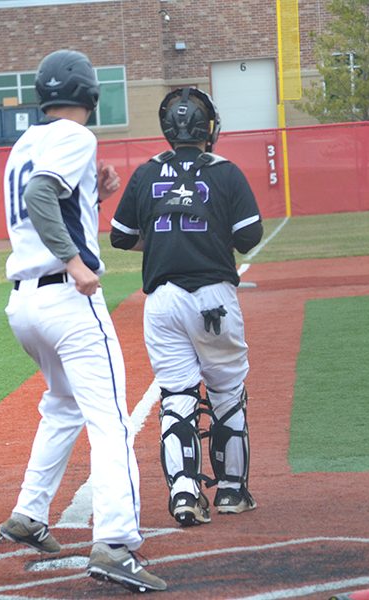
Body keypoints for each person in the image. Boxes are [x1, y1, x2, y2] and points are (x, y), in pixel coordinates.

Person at [0, 49, 167, 594]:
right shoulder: (75, 136)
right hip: (66, 297)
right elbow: (41, 195)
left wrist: (95, 188)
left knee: (63, 406)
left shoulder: (26, 142)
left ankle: (29, 511)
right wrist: (75, 262)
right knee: (110, 420)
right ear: (90, 95)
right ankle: (116, 542)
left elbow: (42, 198)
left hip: (25, 303)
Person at [110, 87, 263, 528]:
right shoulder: (226, 172)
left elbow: (120, 235)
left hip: (162, 302)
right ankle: (232, 492)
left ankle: (183, 494)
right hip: (213, 297)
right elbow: (248, 238)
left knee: (177, 394)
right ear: (208, 128)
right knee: (227, 394)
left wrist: (162, 241)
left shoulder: (146, 173)